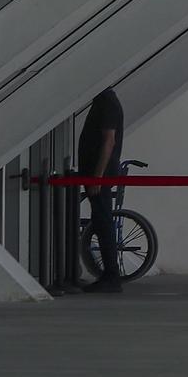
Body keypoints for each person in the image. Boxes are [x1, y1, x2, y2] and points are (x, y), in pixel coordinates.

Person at [75, 87, 126, 294]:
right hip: (98, 173)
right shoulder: (105, 101)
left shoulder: (106, 103)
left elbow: (108, 141)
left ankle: (111, 275)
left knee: (103, 221)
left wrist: (97, 176)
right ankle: (109, 274)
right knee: (101, 220)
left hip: (99, 175)